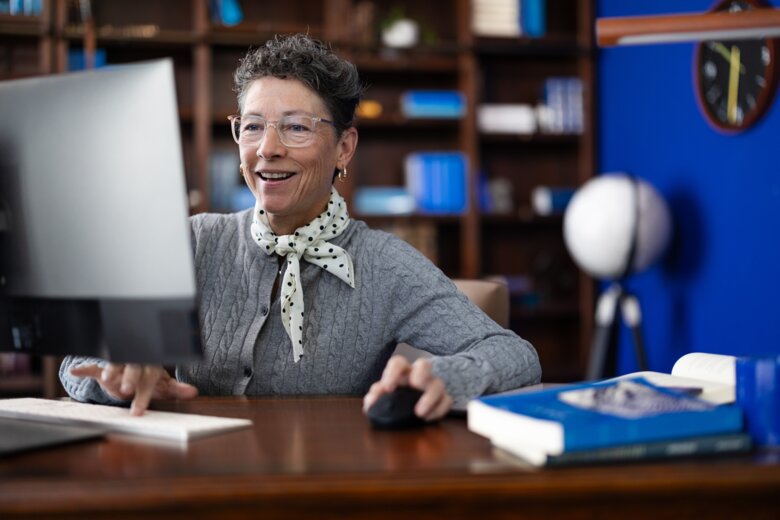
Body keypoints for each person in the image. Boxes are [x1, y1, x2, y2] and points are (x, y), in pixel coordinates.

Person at [60, 33, 541, 419]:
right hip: (193, 485)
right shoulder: (192, 240)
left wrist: (452, 375)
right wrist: (117, 378)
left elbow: (513, 352)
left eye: (295, 126)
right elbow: (77, 359)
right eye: (252, 126)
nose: (267, 148)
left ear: (344, 148)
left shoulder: (386, 266)